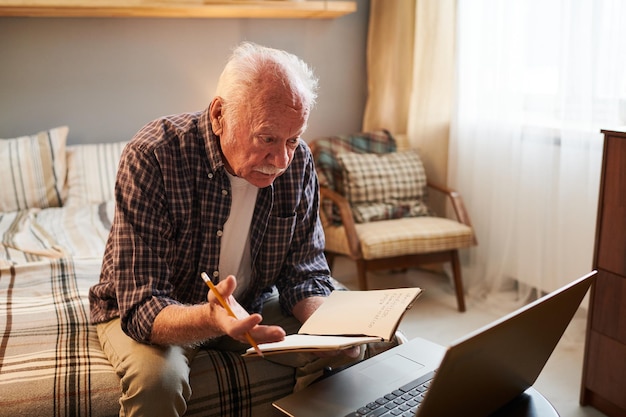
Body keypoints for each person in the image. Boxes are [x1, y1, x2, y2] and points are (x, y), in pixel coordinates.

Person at [88, 42, 363, 416]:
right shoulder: (154, 154)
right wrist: (211, 318)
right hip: (163, 312)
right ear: (220, 115)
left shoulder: (296, 162)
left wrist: (332, 323)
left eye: (292, 139)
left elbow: (305, 274)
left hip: (249, 304)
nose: (281, 159)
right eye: (267, 138)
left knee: (359, 348)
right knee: (158, 384)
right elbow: (140, 305)